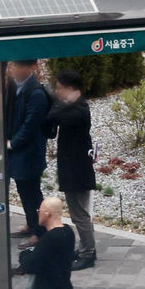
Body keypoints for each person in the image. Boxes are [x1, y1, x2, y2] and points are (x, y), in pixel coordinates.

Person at [46, 69, 97, 271]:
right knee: (80, 213)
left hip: (76, 170)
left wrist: (58, 103)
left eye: (59, 88)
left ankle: (88, 253)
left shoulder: (77, 112)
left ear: (69, 88)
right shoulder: (76, 106)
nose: (57, 91)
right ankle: (86, 247)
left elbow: (52, 116)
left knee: (80, 215)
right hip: (76, 168)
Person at [7, 61, 49, 244]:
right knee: (24, 191)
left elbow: (30, 125)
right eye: (12, 65)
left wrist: (12, 144)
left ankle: (40, 231)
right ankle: (31, 224)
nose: (12, 69)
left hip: (29, 153)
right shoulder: (15, 87)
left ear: (30, 67)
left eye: (16, 66)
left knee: (33, 193)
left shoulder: (36, 93)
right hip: (20, 152)